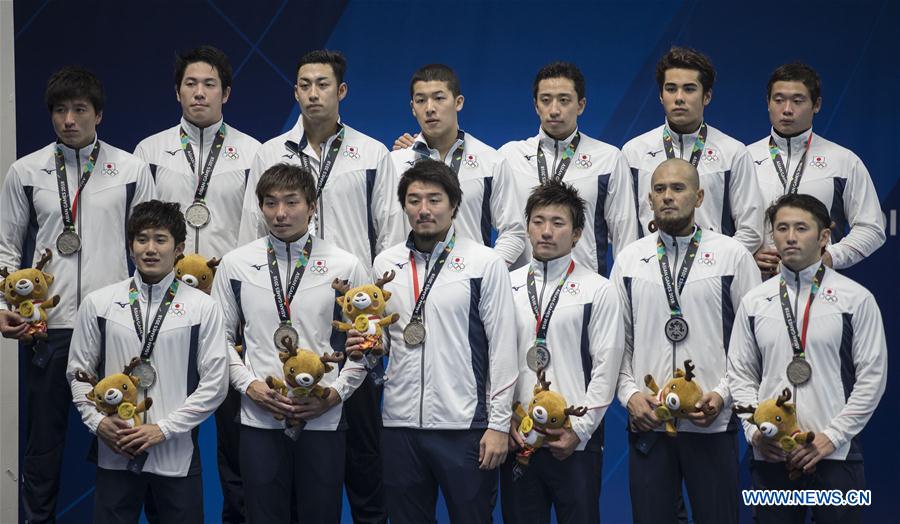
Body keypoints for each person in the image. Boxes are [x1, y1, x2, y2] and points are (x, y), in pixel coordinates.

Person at [238, 49, 403, 522]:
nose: (313, 93)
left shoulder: (372, 154)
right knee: (285, 465)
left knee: (363, 460)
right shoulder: (270, 153)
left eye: (323, 84)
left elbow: (389, 235)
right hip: (288, 312)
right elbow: (255, 231)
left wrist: (373, 323)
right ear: (295, 92)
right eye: (305, 85)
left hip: (352, 319)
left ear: (341, 91)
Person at [0, 66, 155, 523]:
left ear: (99, 114)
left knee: (124, 436)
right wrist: (5, 306)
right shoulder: (25, 172)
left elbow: (148, 245)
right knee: (43, 445)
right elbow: (7, 247)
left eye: (79, 110)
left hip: (114, 328)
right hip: (47, 328)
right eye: (60, 110)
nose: (69, 119)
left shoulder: (130, 169)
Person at [346, 159, 517, 523]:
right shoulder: (385, 264)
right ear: (404, 205)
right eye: (414, 200)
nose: (424, 210)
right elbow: (386, 344)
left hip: (464, 427)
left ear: (454, 205)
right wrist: (369, 349)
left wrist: (498, 426)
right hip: (399, 426)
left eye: (435, 200)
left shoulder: (484, 264)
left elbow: (503, 349)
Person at [132, 44, 260, 523]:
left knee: (233, 429)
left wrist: (230, 281)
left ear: (226, 92)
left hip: (228, 303)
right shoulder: (150, 150)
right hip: (164, 306)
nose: (199, 93)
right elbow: (139, 227)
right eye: (191, 83)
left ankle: (238, 517)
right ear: (177, 91)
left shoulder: (253, 151)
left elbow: (258, 228)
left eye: (209, 84)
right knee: (161, 416)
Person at [213, 163, 369, 522]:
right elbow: (219, 339)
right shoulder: (235, 265)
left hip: (323, 417)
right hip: (259, 417)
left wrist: (335, 395)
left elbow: (363, 348)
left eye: (291, 202)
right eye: (270, 203)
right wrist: (249, 386)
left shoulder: (345, 265)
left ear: (312, 206)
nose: (280, 213)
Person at [611, 158, 761, 523]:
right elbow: (616, 344)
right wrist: (630, 396)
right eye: (659, 189)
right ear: (648, 198)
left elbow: (753, 342)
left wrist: (724, 395)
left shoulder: (732, 256)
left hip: (711, 421)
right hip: (650, 423)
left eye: (678, 188)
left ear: (699, 196)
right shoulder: (630, 259)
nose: (667, 196)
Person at [728, 193, 886, 524]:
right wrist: (754, 431)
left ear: (824, 236)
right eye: (781, 228)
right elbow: (740, 374)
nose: (790, 236)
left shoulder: (855, 300)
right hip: (773, 454)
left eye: (801, 228)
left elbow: (872, 377)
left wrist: (833, 437)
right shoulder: (754, 301)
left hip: (836, 455)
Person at [66, 200, 227, 523]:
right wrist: (98, 424)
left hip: (176, 453)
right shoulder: (99, 303)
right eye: (142, 239)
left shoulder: (202, 307)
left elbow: (215, 384)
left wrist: (163, 429)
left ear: (179, 248)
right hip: (115, 449)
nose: (150, 249)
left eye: (160, 239)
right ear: (130, 247)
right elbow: (78, 373)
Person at [500, 180, 624, 523]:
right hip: (518, 438)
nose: (546, 231)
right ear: (527, 227)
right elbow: (494, 361)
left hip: (575, 442)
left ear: (578, 233)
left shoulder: (598, 289)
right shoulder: (505, 285)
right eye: (538, 221)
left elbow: (606, 367)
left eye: (558, 223)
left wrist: (579, 431)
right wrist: (503, 420)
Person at [622, 46, 764, 254]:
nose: (679, 97)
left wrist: (714, 264)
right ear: (661, 96)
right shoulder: (634, 152)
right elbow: (624, 229)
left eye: (689, 89)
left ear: (706, 96)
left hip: (713, 274)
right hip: (651, 272)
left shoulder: (733, 153)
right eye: (671, 89)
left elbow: (751, 230)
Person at [748, 62, 885, 278]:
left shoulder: (843, 161)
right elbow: (720, 227)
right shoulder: (744, 158)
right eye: (779, 99)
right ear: (768, 103)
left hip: (821, 285)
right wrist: (746, 254)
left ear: (817, 104)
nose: (787, 109)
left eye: (797, 100)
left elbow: (872, 228)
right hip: (756, 287)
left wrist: (830, 257)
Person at [500, 61, 638, 274]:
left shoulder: (609, 159)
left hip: (586, 293)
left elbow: (625, 238)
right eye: (546, 100)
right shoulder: (509, 157)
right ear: (536, 105)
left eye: (564, 100)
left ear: (581, 105)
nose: (554, 110)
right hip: (521, 294)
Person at [388, 63, 527, 265]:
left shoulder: (491, 162)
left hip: (470, 287)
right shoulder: (394, 163)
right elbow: (383, 231)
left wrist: (485, 274)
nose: (429, 108)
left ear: (458, 102)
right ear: (412, 108)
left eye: (439, 98)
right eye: (421, 100)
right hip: (411, 285)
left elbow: (514, 231)